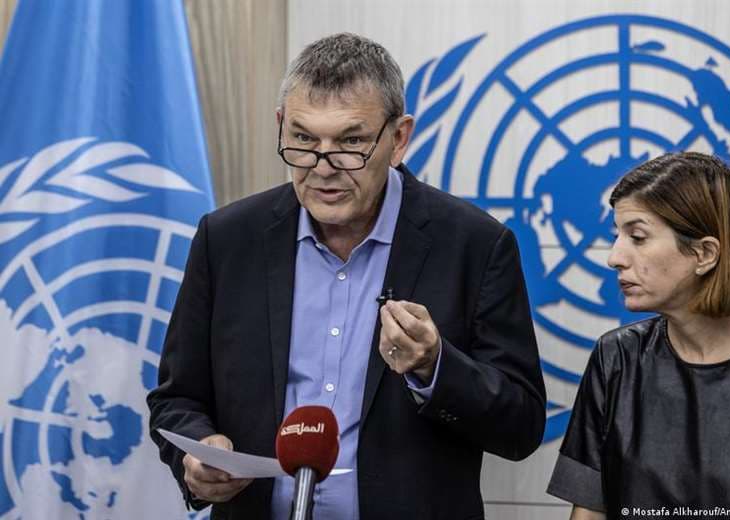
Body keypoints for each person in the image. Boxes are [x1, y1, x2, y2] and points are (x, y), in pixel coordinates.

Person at [147, 33, 546, 519]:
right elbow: (177, 397)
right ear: (281, 126)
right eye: (302, 140)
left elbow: (521, 426)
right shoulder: (227, 239)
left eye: (351, 142)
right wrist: (196, 455)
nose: (323, 167)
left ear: (399, 139)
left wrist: (435, 366)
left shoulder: (474, 244)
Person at [547, 151, 730, 519]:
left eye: (638, 237)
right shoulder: (616, 358)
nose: (614, 257)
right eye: (617, 236)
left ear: (704, 254)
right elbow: (589, 512)